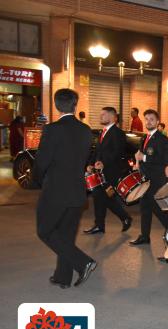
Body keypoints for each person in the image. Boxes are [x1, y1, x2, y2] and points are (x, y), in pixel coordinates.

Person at [33, 88, 96, 288]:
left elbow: (42, 161)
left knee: (45, 231)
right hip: (77, 191)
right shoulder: (86, 130)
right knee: (65, 235)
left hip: (55, 191)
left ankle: (83, 262)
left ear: (56, 105)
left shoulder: (52, 129)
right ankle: (63, 277)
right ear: (74, 105)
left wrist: (36, 180)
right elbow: (84, 159)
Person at [84, 107, 132, 234]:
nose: (101, 117)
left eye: (103, 115)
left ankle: (125, 218)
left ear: (112, 117)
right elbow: (97, 151)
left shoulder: (118, 133)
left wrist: (104, 163)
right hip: (99, 173)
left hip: (111, 173)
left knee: (107, 198)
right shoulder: (103, 132)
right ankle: (100, 225)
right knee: (99, 197)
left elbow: (117, 153)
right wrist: (90, 164)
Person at [129, 109, 168, 245]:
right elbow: (140, 155)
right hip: (146, 178)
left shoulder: (162, 139)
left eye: (151, 119)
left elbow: (164, 159)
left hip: (157, 178)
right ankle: (145, 236)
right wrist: (138, 164)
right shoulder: (145, 138)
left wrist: (144, 157)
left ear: (157, 121)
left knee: (155, 207)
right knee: (145, 207)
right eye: (146, 119)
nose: (148, 121)